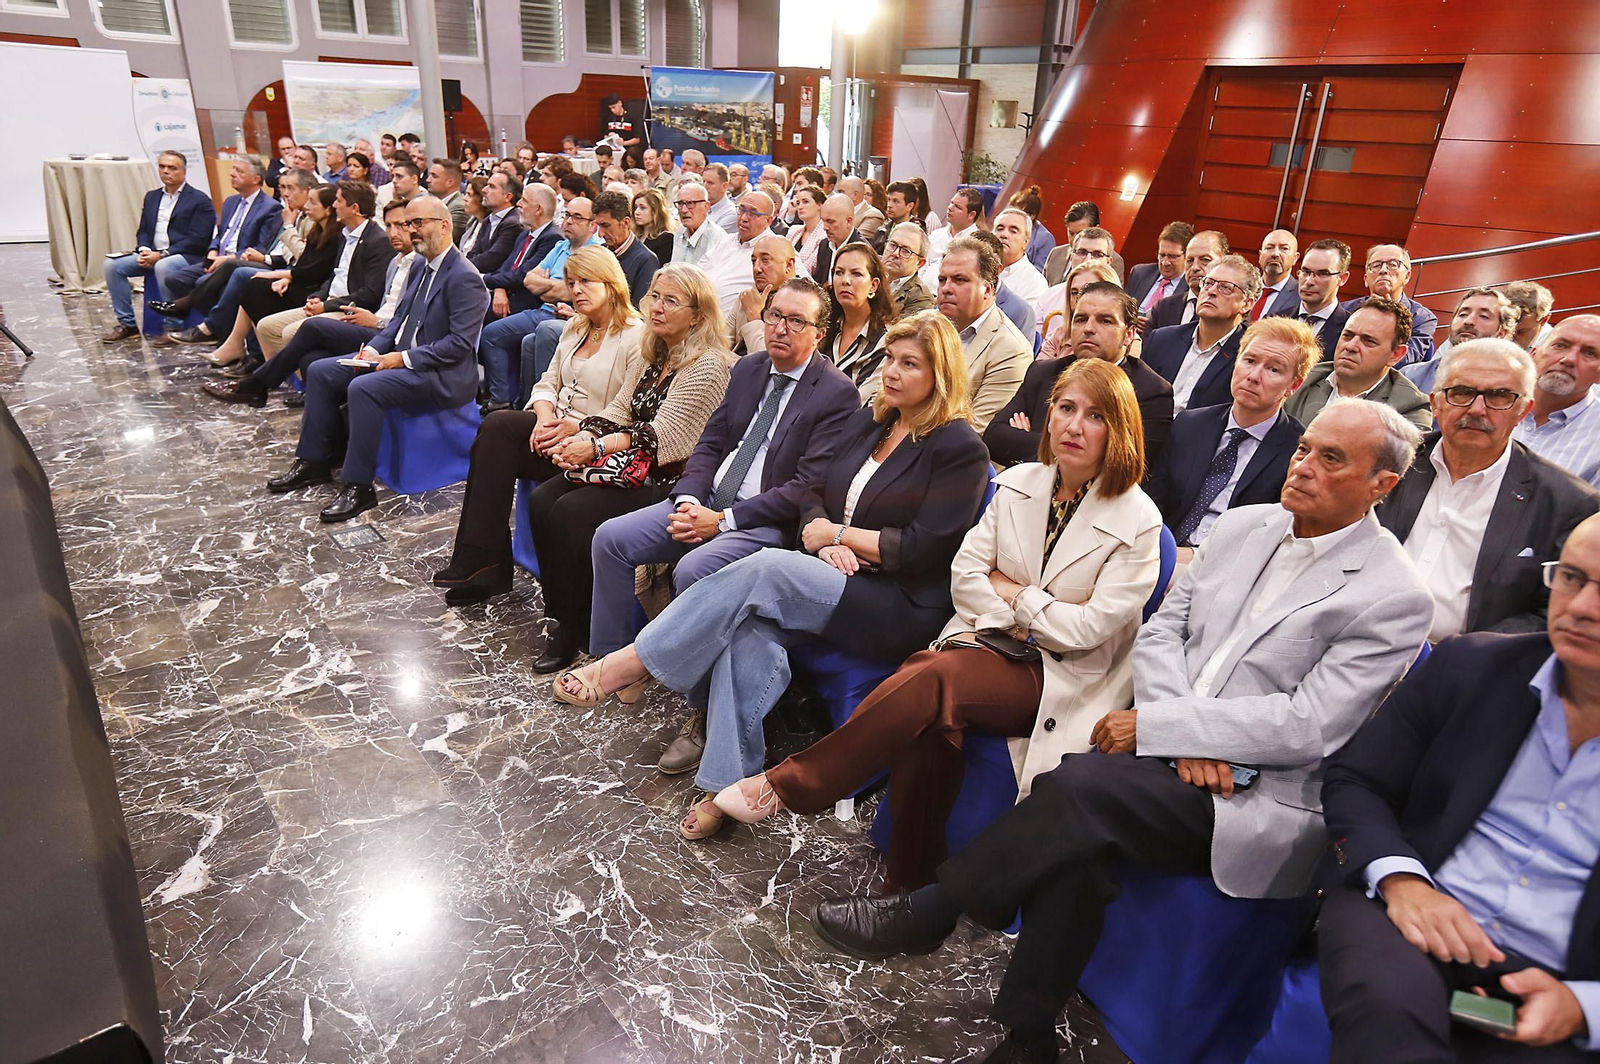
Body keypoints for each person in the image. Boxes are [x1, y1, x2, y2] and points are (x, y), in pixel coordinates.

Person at [811, 398, 1436, 1064]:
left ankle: (933, 911)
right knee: (1084, 825)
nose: (1303, 464)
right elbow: (1163, 632)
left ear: (1383, 485)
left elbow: (1309, 724)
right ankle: (1026, 1038)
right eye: (1306, 446)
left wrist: (1163, 728)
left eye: (1331, 458)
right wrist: (1173, 735)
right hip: (1166, 757)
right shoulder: (1244, 527)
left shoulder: (1392, 595)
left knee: (1080, 785)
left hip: (1254, 793)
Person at [718, 355, 1161, 886]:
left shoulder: (1139, 521)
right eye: (1065, 408)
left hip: (1059, 673)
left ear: (1122, 429)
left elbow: (1085, 632)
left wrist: (1014, 596)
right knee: (937, 712)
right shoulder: (1022, 482)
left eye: (1095, 416)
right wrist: (1021, 608)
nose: (1073, 425)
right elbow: (967, 575)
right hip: (987, 642)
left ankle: (792, 785)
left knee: (934, 675)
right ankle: (908, 886)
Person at [555, 309, 991, 842]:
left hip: (895, 603)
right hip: (828, 572)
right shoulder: (874, 420)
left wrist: (838, 537)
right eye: (890, 360)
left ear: (941, 375)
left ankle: (632, 663)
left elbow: (927, 548)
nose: (893, 373)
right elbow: (813, 489)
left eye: (910, 364)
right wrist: (818, 531)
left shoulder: (960, 447)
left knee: (762, 567)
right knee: (747, 631)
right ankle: (724, 786)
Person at [1317, 516, 1600, 1063]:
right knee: (1391, 1014)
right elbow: (1358, 779)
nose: (1584, 607)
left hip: (1560, 977)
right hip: (1410, 914)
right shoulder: (1472, 666)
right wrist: (1403, 880)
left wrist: (1584, 1007)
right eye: (1571, 578)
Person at [580, 277, 861, 681]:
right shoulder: (748, 367)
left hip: (761, 521)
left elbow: (804, 486)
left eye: (796, 321)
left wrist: (723, 521)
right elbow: (710, 444)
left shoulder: (836, 393)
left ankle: (677, 678)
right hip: (706, 499)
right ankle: (613, 662)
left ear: (819, 334)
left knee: (693, 568)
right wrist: (689, 502)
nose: (780, 328)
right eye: (774, 315)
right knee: (610, 539)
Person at [515, 264, 734, 667]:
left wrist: (594, 446)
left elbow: (663, 435)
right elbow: (620, 408)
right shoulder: (654, 351)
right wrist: (579, 433)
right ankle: (565, 617)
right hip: (629, 465)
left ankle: (579, 630)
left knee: (569, 512)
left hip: (669, 477)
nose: (658, 308)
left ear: (698, 315)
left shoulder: (709, 365)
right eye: (654, 296)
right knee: (544, 500)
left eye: (671, 301)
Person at [434, 247, 649, 603]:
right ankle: (481, 558)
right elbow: (547, 383)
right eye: (572, 282)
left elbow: (624, 409)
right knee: (496, 429)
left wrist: (576, 427)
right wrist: (545, 418)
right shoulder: (576, 326)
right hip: (555, 428)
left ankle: (486, 564)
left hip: (595, 442)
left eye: (586, 282)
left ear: (611, 284)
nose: (576, 290)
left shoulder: (635, 336)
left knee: (499, 430)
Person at [265, 196, 491, 523]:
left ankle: (359, 486)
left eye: (418, 223)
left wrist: (402, 358)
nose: (412, 231)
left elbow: (458, 346)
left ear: (444, 225)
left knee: (364, 388)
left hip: (443, 374)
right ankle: (314, 461)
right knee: (320, 370)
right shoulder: (418, 265)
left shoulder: (465, 277)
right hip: (405, 358)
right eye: (407, 224)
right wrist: (374, 349)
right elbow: (398, 320)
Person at [1380, 336, 1600, 640]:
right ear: (1435, 403)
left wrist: (1465, 654)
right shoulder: (1390, 462)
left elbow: (1549, 610)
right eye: (1461, 392)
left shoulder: (1567, 504)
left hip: (1462, 670)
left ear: (1523, 411)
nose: (1477, 409)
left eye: (1498, 396)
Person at [202, 199, 416, 407]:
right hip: (367, 318)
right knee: (309, 357)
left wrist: (377, 321)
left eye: (401, 225)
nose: (393, 232)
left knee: (311, 326)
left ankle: (257, 384)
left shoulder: (415, 262)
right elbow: (333, 275)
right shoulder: (395, 262)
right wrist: (319, 297)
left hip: (384, 331)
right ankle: (314, 406)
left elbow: (402, 313)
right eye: (389, 225)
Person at [1147, 316, 1317, 552]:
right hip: (1161, 550)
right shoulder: (1189, 424)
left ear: (1294, 385)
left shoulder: (1297, 452)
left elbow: (1278, 538)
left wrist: (1199, 558)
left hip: (1232, 567)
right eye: (1249, 360)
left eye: (1274, 369)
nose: (1254, 376)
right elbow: (1152, 502)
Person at [987, 281, 1173, 469]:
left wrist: (1036, 440)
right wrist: (1081, 449)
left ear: (1129, 334)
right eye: (1081, 319)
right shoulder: (1041, 372)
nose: (1089, 328)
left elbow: (1126, 465)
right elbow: (995, 437)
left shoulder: (1152, 392)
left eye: (1105, 321)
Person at [515, 191, 660, 402]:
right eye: (598, 226)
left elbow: (639, 314)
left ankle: (555, 401)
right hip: (584, 320)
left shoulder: (644, 259)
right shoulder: (601, 251)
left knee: (546, 330)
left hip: (616, 330)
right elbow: (569, 290)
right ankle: (533, 402)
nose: (600, 234)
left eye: (606, 226)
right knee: (529, 342)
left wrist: (576, 311)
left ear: (625, 223)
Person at [158, 170, 318, 346]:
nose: (285, 193)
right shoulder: (293, 214)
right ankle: (220, 335)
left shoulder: (300, 216)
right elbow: (222, 233)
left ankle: (207, 324)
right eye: (282, 187)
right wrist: (215, 250)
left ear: (307, 190)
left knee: (238, 271)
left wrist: (273, 249)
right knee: (182, 277)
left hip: (291, 273)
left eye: (290, 188)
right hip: (268, 262)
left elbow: (301, 257)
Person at [245, 180, 392, 366]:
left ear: (354, 208)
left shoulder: (377, 240)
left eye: (338, 201)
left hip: (347, 309)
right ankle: (301, 376)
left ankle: (296, 374)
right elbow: (334, 275)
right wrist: (317, 297)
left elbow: (369, 293)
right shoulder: (345, 235)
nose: (334, 205)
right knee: (267, 326)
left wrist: (325, 305)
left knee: (290, 332)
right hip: (329, 300)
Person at [476, 195, 600, 408]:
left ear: (593, 225)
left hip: (566, 316)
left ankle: (536, 405)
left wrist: (549, 284)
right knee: (491, 333)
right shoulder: (561, 246)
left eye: (577, 217)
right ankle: (503, 401)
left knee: (535, 335)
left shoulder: (595, 252)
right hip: (542, 308)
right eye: (567, 215)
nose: (568, 221)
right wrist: (555, 287)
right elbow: (529, 279)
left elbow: (570, 292)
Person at [203, 184, 341, 368]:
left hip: (316, 290)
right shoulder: (317, 230)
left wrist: (279, 274)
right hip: (304, 281)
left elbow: (316, 271)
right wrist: (286, 277)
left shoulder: (337, 236)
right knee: (254, 286)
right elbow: (304, 265)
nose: (306, 206)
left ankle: (260, 357)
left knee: (255, 287)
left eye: (313, 202)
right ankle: (255, 354)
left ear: (328, 209)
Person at [148, 155, 277, 344]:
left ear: (256, 179)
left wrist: (228, 258)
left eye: (239, 171)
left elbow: (260, 248)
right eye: (233, 169)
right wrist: (213, 251)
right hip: (217, 259)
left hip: (239, 261)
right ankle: (211, 325)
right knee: (174, 279)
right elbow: (219, 235)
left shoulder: (269, 208)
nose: (232, 174)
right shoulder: (230, 202)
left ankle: (205, 323)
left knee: (203, 281)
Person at [100, 152, 214, 342]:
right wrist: (144, 248)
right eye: (162, 167)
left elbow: (198, 240)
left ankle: (172, 326)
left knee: (163, 266)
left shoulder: (199, 200)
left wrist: (162, 255)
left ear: (184, 172)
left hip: (184, 255)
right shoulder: (152, 197)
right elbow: (143, 230)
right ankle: (127, 324)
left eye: (172, 168)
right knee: (112, 266)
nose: (165, 171)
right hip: (153, 253)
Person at [1284, 297, 1433, 430]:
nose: (1350, 346)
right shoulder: (1303, 379)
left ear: (1395, 355)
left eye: (1368, 341)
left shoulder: (1410, 409)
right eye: (1347, 336)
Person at [937, 236, 1033, 432]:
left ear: (987, 289)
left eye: (959, 280)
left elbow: (973, 433)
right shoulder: (924, 323)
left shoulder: (1012, 351)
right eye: (942, 280)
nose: (946, 288)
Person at [1143, 254, 1258, 413]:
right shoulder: (1162, 339)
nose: (1211, 291)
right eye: (1208, 283)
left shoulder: (1250, 356)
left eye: (1225, 287)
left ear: (1246, 304)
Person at [1515, 315, 1600, 488]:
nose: (1569, 359)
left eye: (1589, 353)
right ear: (1533, 354)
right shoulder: (1487, 403)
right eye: (1560, 345)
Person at [1402, 285, 1518, 394]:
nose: (1469, 321)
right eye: (1463, 314)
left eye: (1483, 316)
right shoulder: (1409, 376)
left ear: (1502, 334)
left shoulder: (1512, 387)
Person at [1339, 244, 1438, 365]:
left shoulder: (1422, 318)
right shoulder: (1344, 310)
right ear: (1365, 279)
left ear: (1407, 276)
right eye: (1376, 265)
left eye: (1393, 264)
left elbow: (1405, 361)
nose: (1383, 270)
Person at [823, 243, 898, 402]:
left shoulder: (886, 340)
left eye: (856, 274)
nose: (845, 280)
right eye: (839, 272)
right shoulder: (825, 326)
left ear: (873, 285)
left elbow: (856, 402)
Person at [482, 183, 561, 327]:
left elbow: (522, 275)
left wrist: (484, 278)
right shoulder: (525, 234)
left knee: (484, 328)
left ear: (538, 209)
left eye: (524, 200)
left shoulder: (552, 238)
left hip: (526, 304)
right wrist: (500, 288)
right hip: (506, 295)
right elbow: (506, 267)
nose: (518, 204)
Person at [1272, 237, 1352, 363]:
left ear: (1342, 278)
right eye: (1305, 271)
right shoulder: (1274, 321)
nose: (1309, 281)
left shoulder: (1350, 330)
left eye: (1322, 274)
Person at [1035, 229, 1119, 341]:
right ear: (1071, 257)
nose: (1088, 259)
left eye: (1097, 254)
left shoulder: (1117, 306)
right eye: (1082, 252)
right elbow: (1034, 342)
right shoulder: (1049, 296)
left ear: (1109, 262)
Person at [729, 234, 797, 355]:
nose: (756, 269)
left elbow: (768, 363)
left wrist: (753, 317)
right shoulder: (748, 297)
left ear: (789, 265)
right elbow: (718, 342)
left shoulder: (800, 305)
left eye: (765, 260)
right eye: (753, 261)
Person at [1036, 259, 1118, 359]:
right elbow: (1037, 370)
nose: (1079, 299)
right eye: (1074, 293)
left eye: (1088, 291)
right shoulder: (1061, 333)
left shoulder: (1127, 339)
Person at [1147, 229, 1229, 330]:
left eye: (1205, 260)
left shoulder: (1231, 313)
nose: (1194, 267)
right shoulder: (1162, 308)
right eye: (1190, 260)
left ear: (1223, 262)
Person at [921, 188, 985, 289]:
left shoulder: (978, 242)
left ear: (971, 215)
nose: (950, 208)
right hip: (923, 296)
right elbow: (921, 267)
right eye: (951, 203)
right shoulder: (936, 235)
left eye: (958, 207)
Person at [993, 207, 1050, 320]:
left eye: (1013, 231)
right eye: (999, 229)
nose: (1004, 235)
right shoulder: (975, 268)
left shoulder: (1035, 283)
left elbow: (1024, 325)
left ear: (1026, 242)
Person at [1125, 220, 1193, 314]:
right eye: (1162, 255)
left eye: (1172, 256)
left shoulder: (1191, 287)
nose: (1165, 262)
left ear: (1188, 257)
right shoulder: (1139, 273)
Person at [465, 172, 523, 273]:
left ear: (507, 197)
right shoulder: (488, 219)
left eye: (491, 187)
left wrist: (463, 266)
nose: (484, 190)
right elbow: (474, 252)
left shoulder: (513, 224)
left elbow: (492, 259)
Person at [883, 224, 935, 318]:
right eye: (892, 245)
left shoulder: (921, 298)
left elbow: (901, 331)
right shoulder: (868, 273)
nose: (895, 253)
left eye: (906, 251)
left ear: (920, 263)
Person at [814, 193, 863, 283]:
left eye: (830, 221)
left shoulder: (861, 251)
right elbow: (818, 281)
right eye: (823, 221)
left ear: (848, 221)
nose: (825, 227)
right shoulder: (824, 245)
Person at [1009, 185, 1057, 274]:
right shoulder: (1004, 230)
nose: (1011, 215)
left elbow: (1040, 271)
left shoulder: (1045, 239)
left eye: (1018, 213)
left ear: (1032, 216)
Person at [787, 186, 828, 278]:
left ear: (820, 205)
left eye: (805, 202)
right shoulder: (793, 230)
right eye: (798, 202)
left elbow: (809, 269)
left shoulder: (825, 234)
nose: (800, 207)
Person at [1505, 279, 1556, 351]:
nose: (1508, 337)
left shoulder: (1554, 348)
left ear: (1544, 320)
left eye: (1520, 332)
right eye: (1505, 329)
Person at [427, 158, 470, 240]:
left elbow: (442, 238)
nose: (428, 180)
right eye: (429, 175)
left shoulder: (459, 207)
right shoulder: (434, 203)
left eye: (434, 176)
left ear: (450, 182)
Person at [633, 187, 675, 265]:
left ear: (655, 211)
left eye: (642, 208)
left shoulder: (666, 238)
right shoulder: (634, 237)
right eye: (635, 208)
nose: (636, 212)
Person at [455, 176, 491, 259]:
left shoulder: (491, 225)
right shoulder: (472, 221)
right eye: (465, 194)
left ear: (481, 198)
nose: (464, 198)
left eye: (469, 195)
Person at [702, 163, 738, 234]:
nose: (704, 186)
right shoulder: (696, 207)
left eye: (710, 183)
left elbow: (710, 238)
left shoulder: (731, 213)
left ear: (724, 186)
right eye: (703, 181)